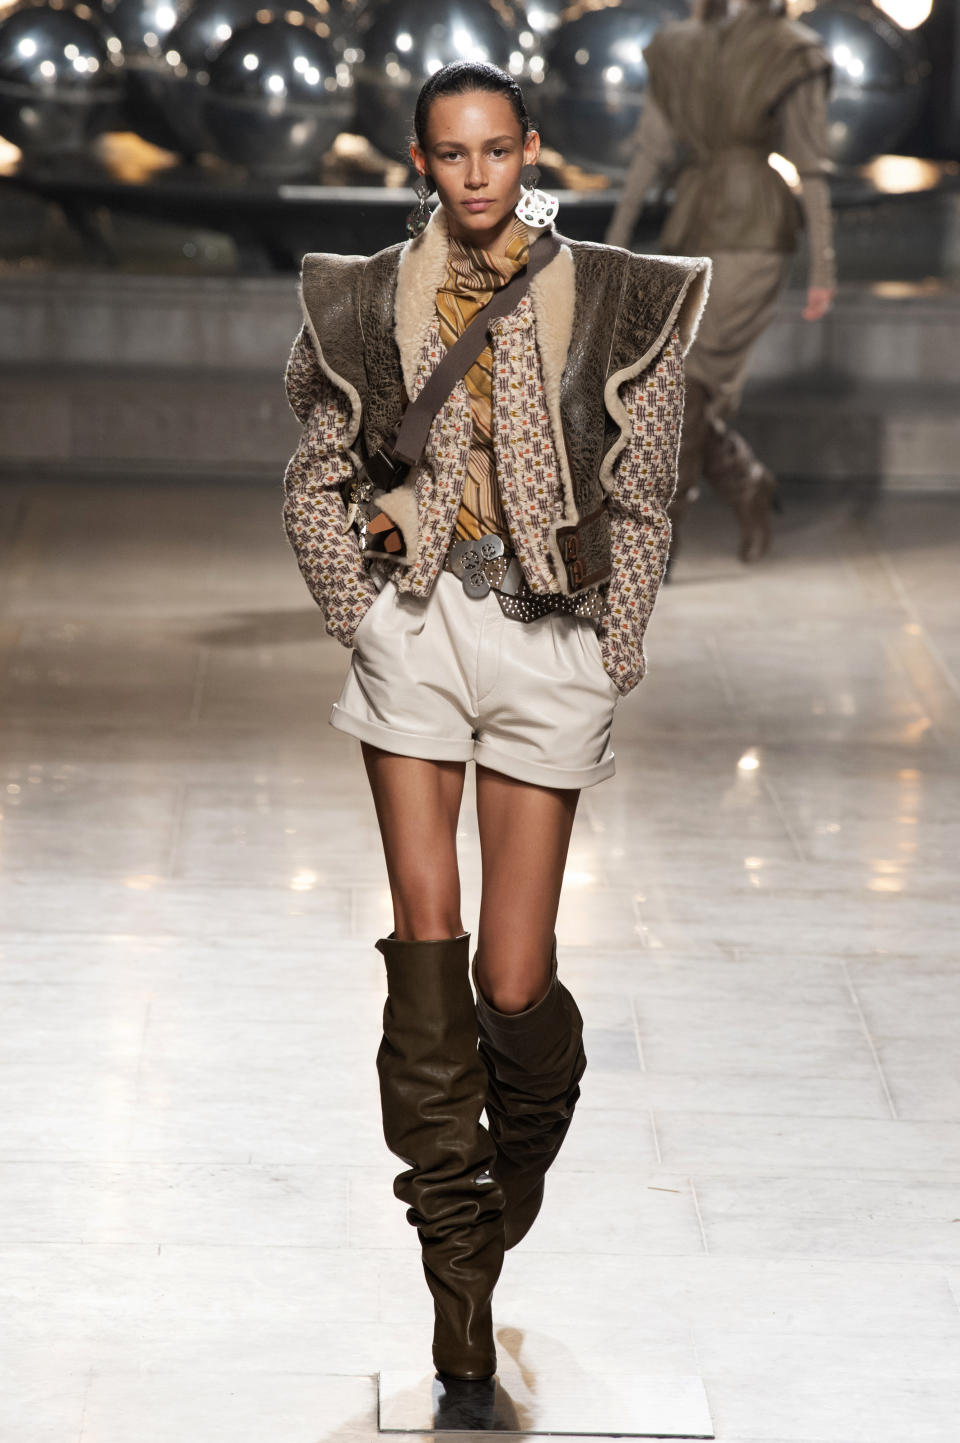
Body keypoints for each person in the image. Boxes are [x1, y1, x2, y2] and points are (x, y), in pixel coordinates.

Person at [281, 60, 709, 1385]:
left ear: (533, 149)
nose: (474, 175)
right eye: (448, 155)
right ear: (422, 163)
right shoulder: (361, 299)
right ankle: (456, 1279)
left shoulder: (624, 299)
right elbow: (315, 469)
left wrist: (616, 638)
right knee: (428, 936)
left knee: (513, 979)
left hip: (551, 637)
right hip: (416, 627)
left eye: (494, 150)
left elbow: (645, 487)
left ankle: (503, 1166)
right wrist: (361, 612)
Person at [607, 0, 836, 561]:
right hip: (694, 228)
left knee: (684, 382)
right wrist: (613, 244)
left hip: (754, 232)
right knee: (679, 381)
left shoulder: (790, 46)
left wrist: (825, 264)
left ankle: (665, 526)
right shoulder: (678, 45)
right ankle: (748, 483)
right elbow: (652, 149)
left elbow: (810, 159)